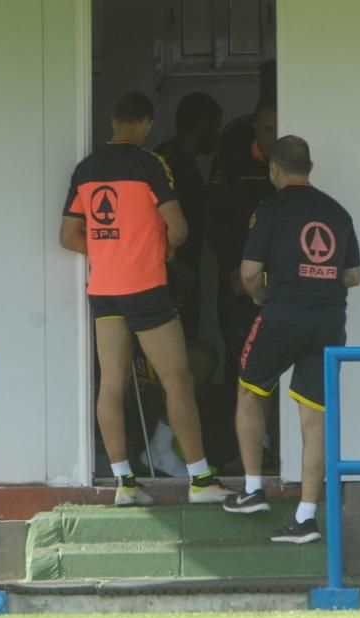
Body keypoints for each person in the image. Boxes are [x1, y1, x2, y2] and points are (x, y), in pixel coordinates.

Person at [59, 91, 233, 506]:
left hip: (104, 292)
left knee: (112, 384)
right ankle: (201, 479)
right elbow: (179, 227)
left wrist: (108, 250)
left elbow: (68, 236)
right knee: (178, 380)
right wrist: (161, 250)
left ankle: (124, 484)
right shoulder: (151, 164)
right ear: (149, 124)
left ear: (114, 120)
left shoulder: (85, 169)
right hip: (146, 287)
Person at [222, 136, 360, 543]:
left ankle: (252, 490)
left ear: (275, 171)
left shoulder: (270, 208)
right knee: (313, 416)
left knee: (249, 391)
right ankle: (306, 517)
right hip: (329, 321)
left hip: (282, 314)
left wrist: (263, 297)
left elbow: (249, 273)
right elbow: (353, 276)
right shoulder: (337, 212)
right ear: (310, 167)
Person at [138, 92, 222, 478]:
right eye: (214, 127)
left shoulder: (173, 157)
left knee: (182, 365)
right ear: (202, 124)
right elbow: (162, 222)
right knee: (177, 368)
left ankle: (164, 445)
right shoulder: (169, 161)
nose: (217, 135)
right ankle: (161, 447)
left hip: (175, 276)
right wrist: (173, 265)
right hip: (167, 279)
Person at [206, 97, 278, 468]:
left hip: (281, 283)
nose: (272, 136)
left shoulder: (290, 167)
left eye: (278, 128)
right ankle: (248, 450)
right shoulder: (234, 160)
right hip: (237, 281)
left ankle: (279, 447)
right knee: (243, 360)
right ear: (254, 128)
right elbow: (214, 218)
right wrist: (233, 268)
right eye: (267, 129)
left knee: (283, 358)